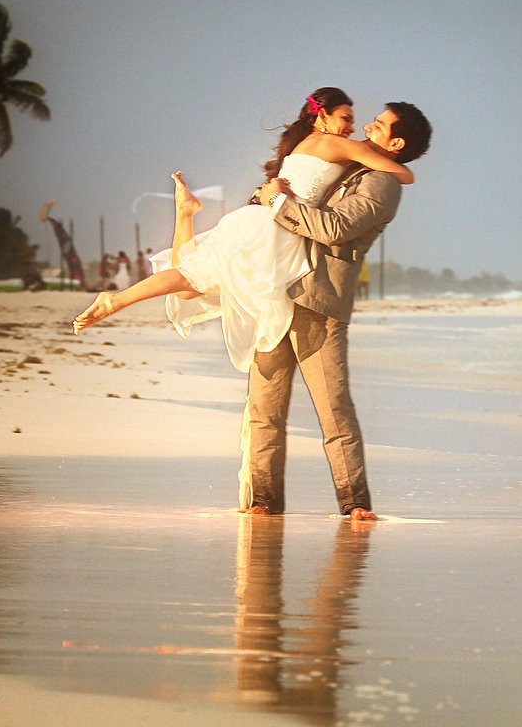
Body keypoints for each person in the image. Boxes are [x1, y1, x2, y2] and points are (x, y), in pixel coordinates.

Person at [72, 87, 413, 368]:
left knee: (190, 286)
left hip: (263, 219)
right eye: (346, 118)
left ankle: (185, 214)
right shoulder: (336, 144)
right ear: (322, 116)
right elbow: (404, 174)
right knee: (191, 281)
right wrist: (384, 148)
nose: (354, 126)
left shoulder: (309, 141)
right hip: (271, 227)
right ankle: (114, 300)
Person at [240, 99, 431, 520]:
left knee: (334, 411)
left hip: (319, 304)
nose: (366, 126)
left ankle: (356, 505)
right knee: (263, 409)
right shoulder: (348, 161)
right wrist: (264, 197)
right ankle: (262, 502)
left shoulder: (384, 183)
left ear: (396, 142)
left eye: (379, 126)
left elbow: (335, 229)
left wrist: (277, 204)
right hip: (275, 292)